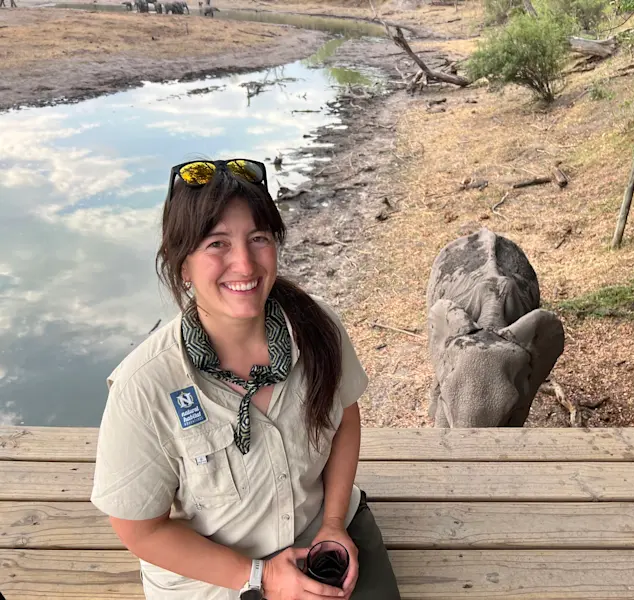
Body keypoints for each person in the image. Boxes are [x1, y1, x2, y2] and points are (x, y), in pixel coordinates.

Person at [90, 159, 401, 600]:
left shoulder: (319, 329)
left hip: (321, 538)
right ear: (182, 265)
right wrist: (262, 576)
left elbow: (345, 418)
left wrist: (332, 523)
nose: (244, 263)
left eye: (259, 238)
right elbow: (139, 529)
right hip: (215, 580)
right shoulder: (144, 387)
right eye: (217, 243)